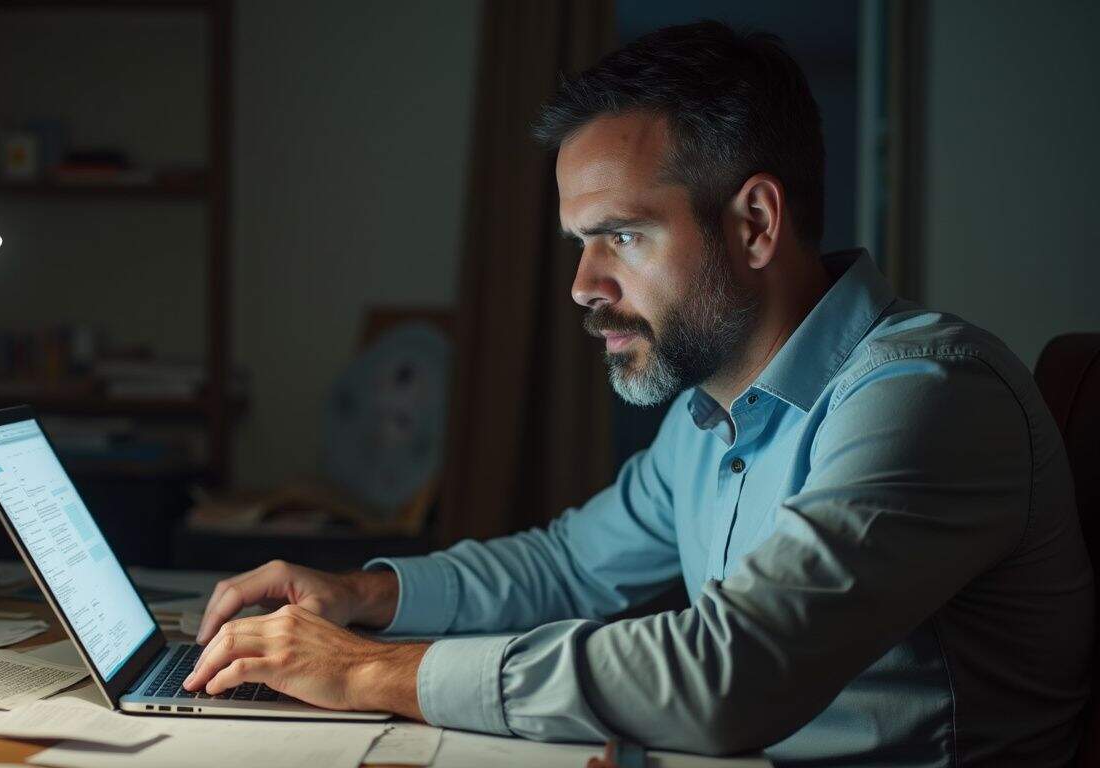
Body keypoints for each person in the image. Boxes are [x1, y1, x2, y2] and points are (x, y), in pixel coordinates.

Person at [183, 21, 1093, 766]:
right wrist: (359, 595)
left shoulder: (924, 397)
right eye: (581, 242)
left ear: (755, 224)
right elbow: (568, 568)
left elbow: (729, 676)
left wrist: (367, 673)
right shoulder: (713, 408)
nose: (583, 285)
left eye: (619, 235)